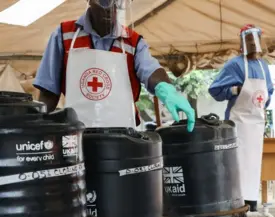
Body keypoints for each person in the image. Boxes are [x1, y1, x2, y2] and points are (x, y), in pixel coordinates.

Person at [34, 0, 195, 131]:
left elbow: (151, 71)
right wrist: (38, 129)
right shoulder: (64, 35)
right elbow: (49, 92)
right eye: (104, 2)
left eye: (117, 2)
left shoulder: (133, 42)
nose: (110, 8)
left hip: (123, 137)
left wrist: (166, 89)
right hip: (77, 136)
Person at [208, 24, 274, 214]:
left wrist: (262, 104)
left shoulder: (264, 66)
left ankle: (251, 206)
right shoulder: (234, 65)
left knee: (253, 167)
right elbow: (215, 90)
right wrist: (235, 90)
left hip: (256, 126)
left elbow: (268, 92)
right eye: (249, 40)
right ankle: (236, 208)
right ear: (242, 43)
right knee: (237, 166)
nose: (253, 44)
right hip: (237, 125)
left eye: (256, 40)